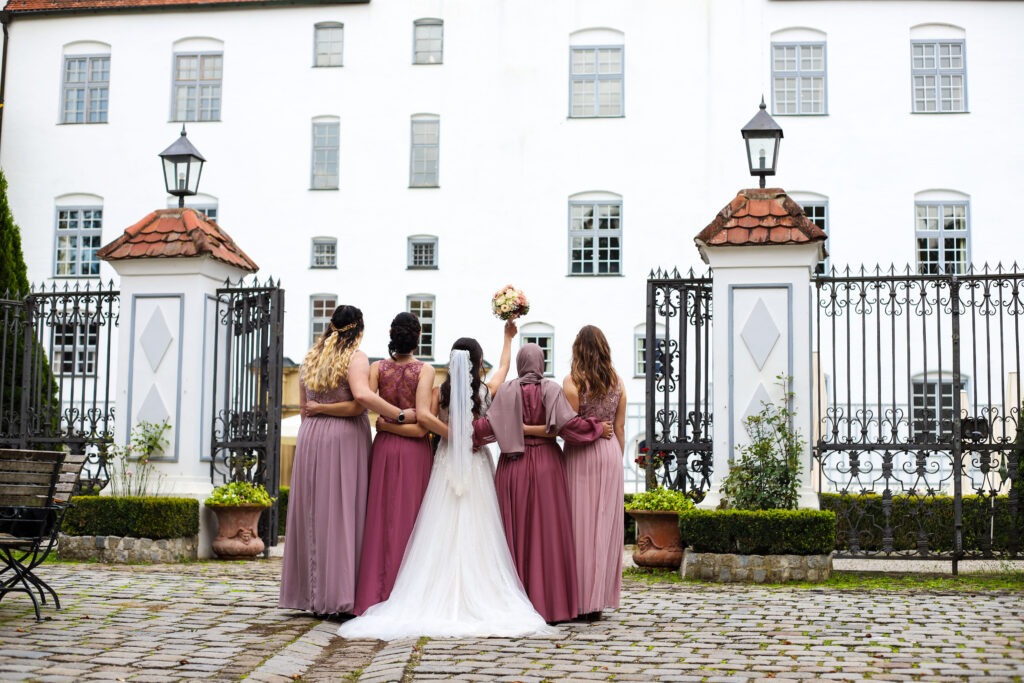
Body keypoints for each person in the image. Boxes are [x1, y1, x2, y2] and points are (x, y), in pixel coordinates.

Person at [338, 323, 554, 640]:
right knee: (480, 526)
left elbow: (424, 418)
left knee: (438, 524)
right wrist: (508, 339)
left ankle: (429, 591)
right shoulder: (485, 392)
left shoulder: (441, 393)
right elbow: (504, 368)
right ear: (479, 363)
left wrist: (448, 436)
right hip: (477, 462)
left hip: (446, 461)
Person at [279, 305, 412, 617]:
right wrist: (400, 414)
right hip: (343, 438)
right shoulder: (356, 357)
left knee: (313, 513)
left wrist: (317, 414)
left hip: (311, 437)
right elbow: (359, 403)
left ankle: (311, 594)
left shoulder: (310, 357)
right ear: (358, 329)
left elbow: (304, 409)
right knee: (341, 513)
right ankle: (339, 597)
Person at [473, 343, 611, 624]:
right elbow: (571, 426)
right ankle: (552, 606)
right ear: (541, 362)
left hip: (514, 466)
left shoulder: (508, 390)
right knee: (548, 535)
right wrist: (597, 427)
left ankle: (514, 602)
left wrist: (462, 430)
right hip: (548, 466)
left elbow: (486, 428)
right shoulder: (551, 389)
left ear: (521, 363)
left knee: (514, 533)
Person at [353, 312, 436, 614]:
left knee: (381, 518)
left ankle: (376, 591)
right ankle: (410, 590)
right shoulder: (425, 371)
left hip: (386, 447)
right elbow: (422, 425)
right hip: (414, 450)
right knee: (413, 519)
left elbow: (366, 403)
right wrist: (402, 419)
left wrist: (386, 426)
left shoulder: (377, 368)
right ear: (419, 337)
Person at [562, 325, 626, 621]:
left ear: (578, 349)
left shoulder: (572, 382)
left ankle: (579, 600)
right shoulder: (618, 382)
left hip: (581, 455)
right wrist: (616, 458)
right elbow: (621, 428)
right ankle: (598, 600)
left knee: (579, 527)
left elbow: (571, 429)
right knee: (603, 528)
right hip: (611, 452)